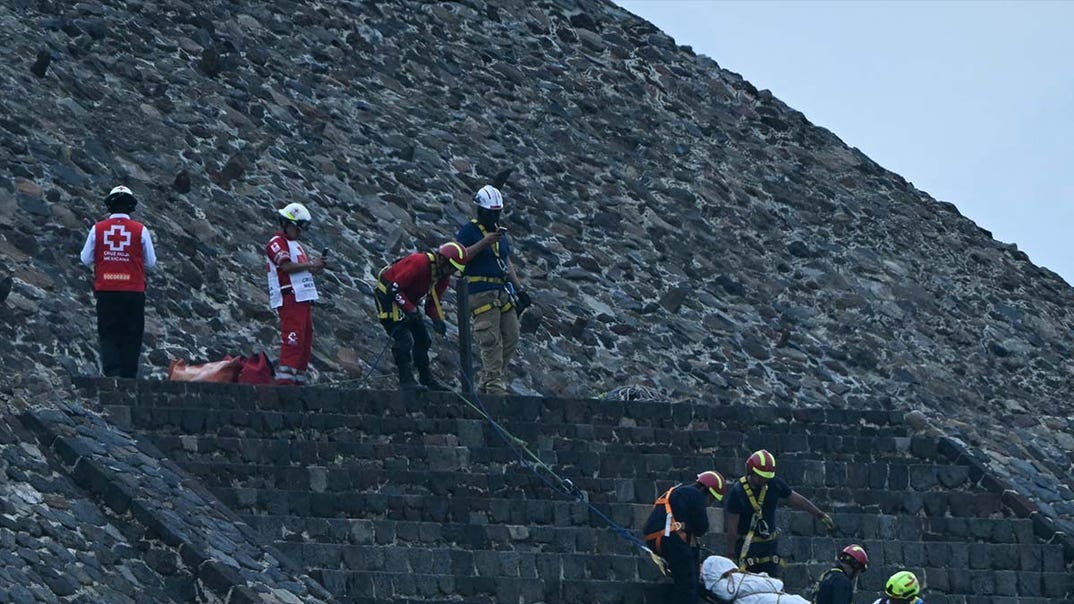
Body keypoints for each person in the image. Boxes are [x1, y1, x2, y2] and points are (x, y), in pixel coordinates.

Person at [375, 234, 501, 391]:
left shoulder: (443, 276)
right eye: (451, 267)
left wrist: (437, 320)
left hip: (407, 302)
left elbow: (432, 303)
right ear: (442, 259)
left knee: (423, 339)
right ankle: (406, 380)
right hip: (388, 297)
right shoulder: (418, 262)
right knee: (403, 339)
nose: (451, 271)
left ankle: (426, 378)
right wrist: (410, 309)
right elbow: (392, 289)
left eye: (455, 269)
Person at [455, 184, 531, 395]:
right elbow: (460, 256)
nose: (494, 217)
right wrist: (484, 243)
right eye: (491, 213)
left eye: (497, 213)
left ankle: (486, 381)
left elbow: (505, 260)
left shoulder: (499, 233)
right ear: (481, 211)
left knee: (512, 335)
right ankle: (495, 387)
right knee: (490, 340)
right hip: (480, 292)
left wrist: (520, 289)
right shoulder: (469, 231)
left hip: (501, 290)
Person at [80, 185, 157, 378]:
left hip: (106, 289)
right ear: (131, 207)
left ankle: (112, 371)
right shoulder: (140, 230)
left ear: (109, 207)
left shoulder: (98, 229)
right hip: (134, 290)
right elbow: (151, 262)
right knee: (132, 333)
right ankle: (129, 373)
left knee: (108, 331)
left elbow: (85, 258)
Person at [724, 449, 835, 576]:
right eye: (760, 476)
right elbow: (732, 528)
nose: (764, 480)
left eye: (766, 477)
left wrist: (819, 514)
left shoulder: (774, 484)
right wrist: (731, 553)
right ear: (751, 471)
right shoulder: (738, 492)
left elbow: (798, 500)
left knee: (771, 586)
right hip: (747, 549)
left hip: (769, 547)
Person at [641, 471, 727, 604]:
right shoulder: (696, 495)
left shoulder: (679, 491)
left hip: (656, 537)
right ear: (705, 490)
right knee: (688, 584)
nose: (709, 504)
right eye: (711, 499)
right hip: (669, 539)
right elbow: (701, 527)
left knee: (683, 577)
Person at [265, 202, 327, 385]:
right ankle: (285, 384)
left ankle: (298, 381)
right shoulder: (277, 243)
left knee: (304, 343)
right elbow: (286, 267)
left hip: (303, 298)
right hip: (290, 297)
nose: (300, 233)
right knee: (293, 341)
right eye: (299, 228)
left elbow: (303, 270)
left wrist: (317, 266)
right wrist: (311, 264)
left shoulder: (296, 245)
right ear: (289, 224)